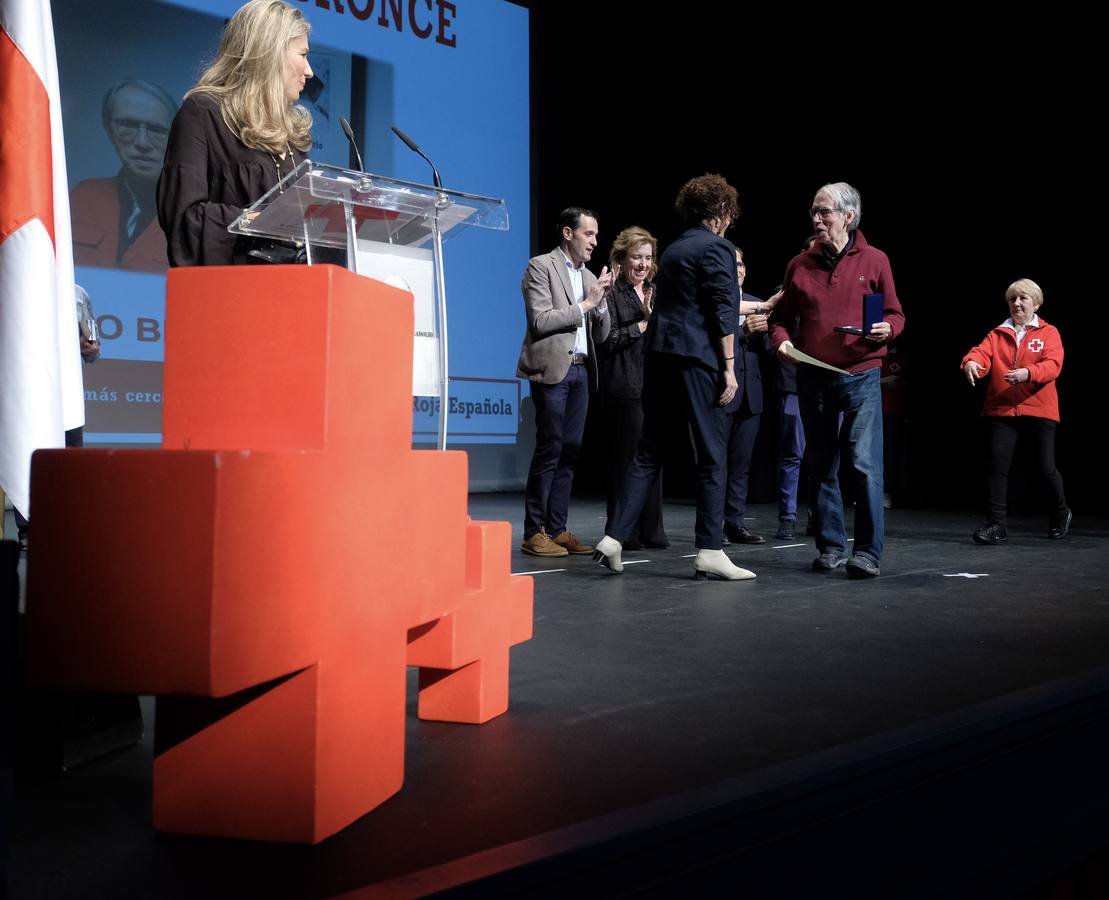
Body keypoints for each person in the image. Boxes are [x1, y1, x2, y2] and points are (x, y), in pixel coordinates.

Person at [594, 174, 755, 581]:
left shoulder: (677, 248)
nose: (728, 223)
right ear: (720, 212)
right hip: (695, 358)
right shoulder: (716, 247)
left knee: (649, 452)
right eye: (728, 215)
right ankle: (710, 549)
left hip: (659, 357)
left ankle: (613, 538)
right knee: (712, 453)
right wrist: (730, 366)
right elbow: (722, 309)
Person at [769, 182, 905, 578]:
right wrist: (780, 343)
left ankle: (867, 553)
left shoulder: (876, 259)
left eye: (825, 212)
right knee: (821, 464)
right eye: (814, 211)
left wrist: (887, 329)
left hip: (861, 374)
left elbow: (896, 314)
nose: (817, 219)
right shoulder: (799, 264)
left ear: (848, 216)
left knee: (864, 464)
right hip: (813, 375)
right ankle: (830, 547)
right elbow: (779, 320)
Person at [157, 0, 315, 267]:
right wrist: (258, 221)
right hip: (231, 295)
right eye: (303, 55)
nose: (309, 71)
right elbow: (185, 219)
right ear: (270, 54)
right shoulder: (203, 113)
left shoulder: (293, 137)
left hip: (294, 295)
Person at [517, 208, 614, 557]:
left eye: (596, 235)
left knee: (571, 450)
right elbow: (540, 320)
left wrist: (601, 307)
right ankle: (533, 531)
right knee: (550, 446)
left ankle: (556, 529)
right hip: (553, 369)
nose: (594, 242)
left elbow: (601, 336)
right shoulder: (540, 266)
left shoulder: (590, 276)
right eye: (589, 234)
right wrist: (587, 303)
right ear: (568, 233)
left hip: (582, 370)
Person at [961, 279, 1070, 543]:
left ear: (1036, 303)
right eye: (1012, 299)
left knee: (1045, 467)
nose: (1017, 304)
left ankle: (1060, 512)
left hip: (1039, 408)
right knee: (997, 467)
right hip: (1002, 410)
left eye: (1023, 298)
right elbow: (981, 354)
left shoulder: (1048, 333)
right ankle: (997, 526)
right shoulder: (997, 333)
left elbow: (1053, 365)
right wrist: (971, 363)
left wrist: (1028, 373)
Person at [597, 226, 668, 551]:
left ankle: (652, 530)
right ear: (622, 258)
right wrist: (643, 324)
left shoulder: (655, 290)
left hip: (653, 384)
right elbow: (608, 341)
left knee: (653, 458)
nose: (642, 264)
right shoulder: (613, 293)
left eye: (647, 257)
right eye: (636, 257)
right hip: (624, 385)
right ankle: (624, 531)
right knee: (627, 463)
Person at [71, 80, 177, 273]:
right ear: (110, 130)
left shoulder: (193, 215)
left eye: (157, 130)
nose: (142, 143)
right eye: (128, 125)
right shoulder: (82, 198)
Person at [722, 247, 777, 546]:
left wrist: (763, 334)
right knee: (718, 464)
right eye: (732, 264)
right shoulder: (717, 302)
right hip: (723, 391)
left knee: (741, 465)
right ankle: (711, 523)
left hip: (751, 395)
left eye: (742, 263)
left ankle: (735, 523)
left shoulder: (757, 304)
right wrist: (743, 331)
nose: (738, 269)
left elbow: (769, 354)